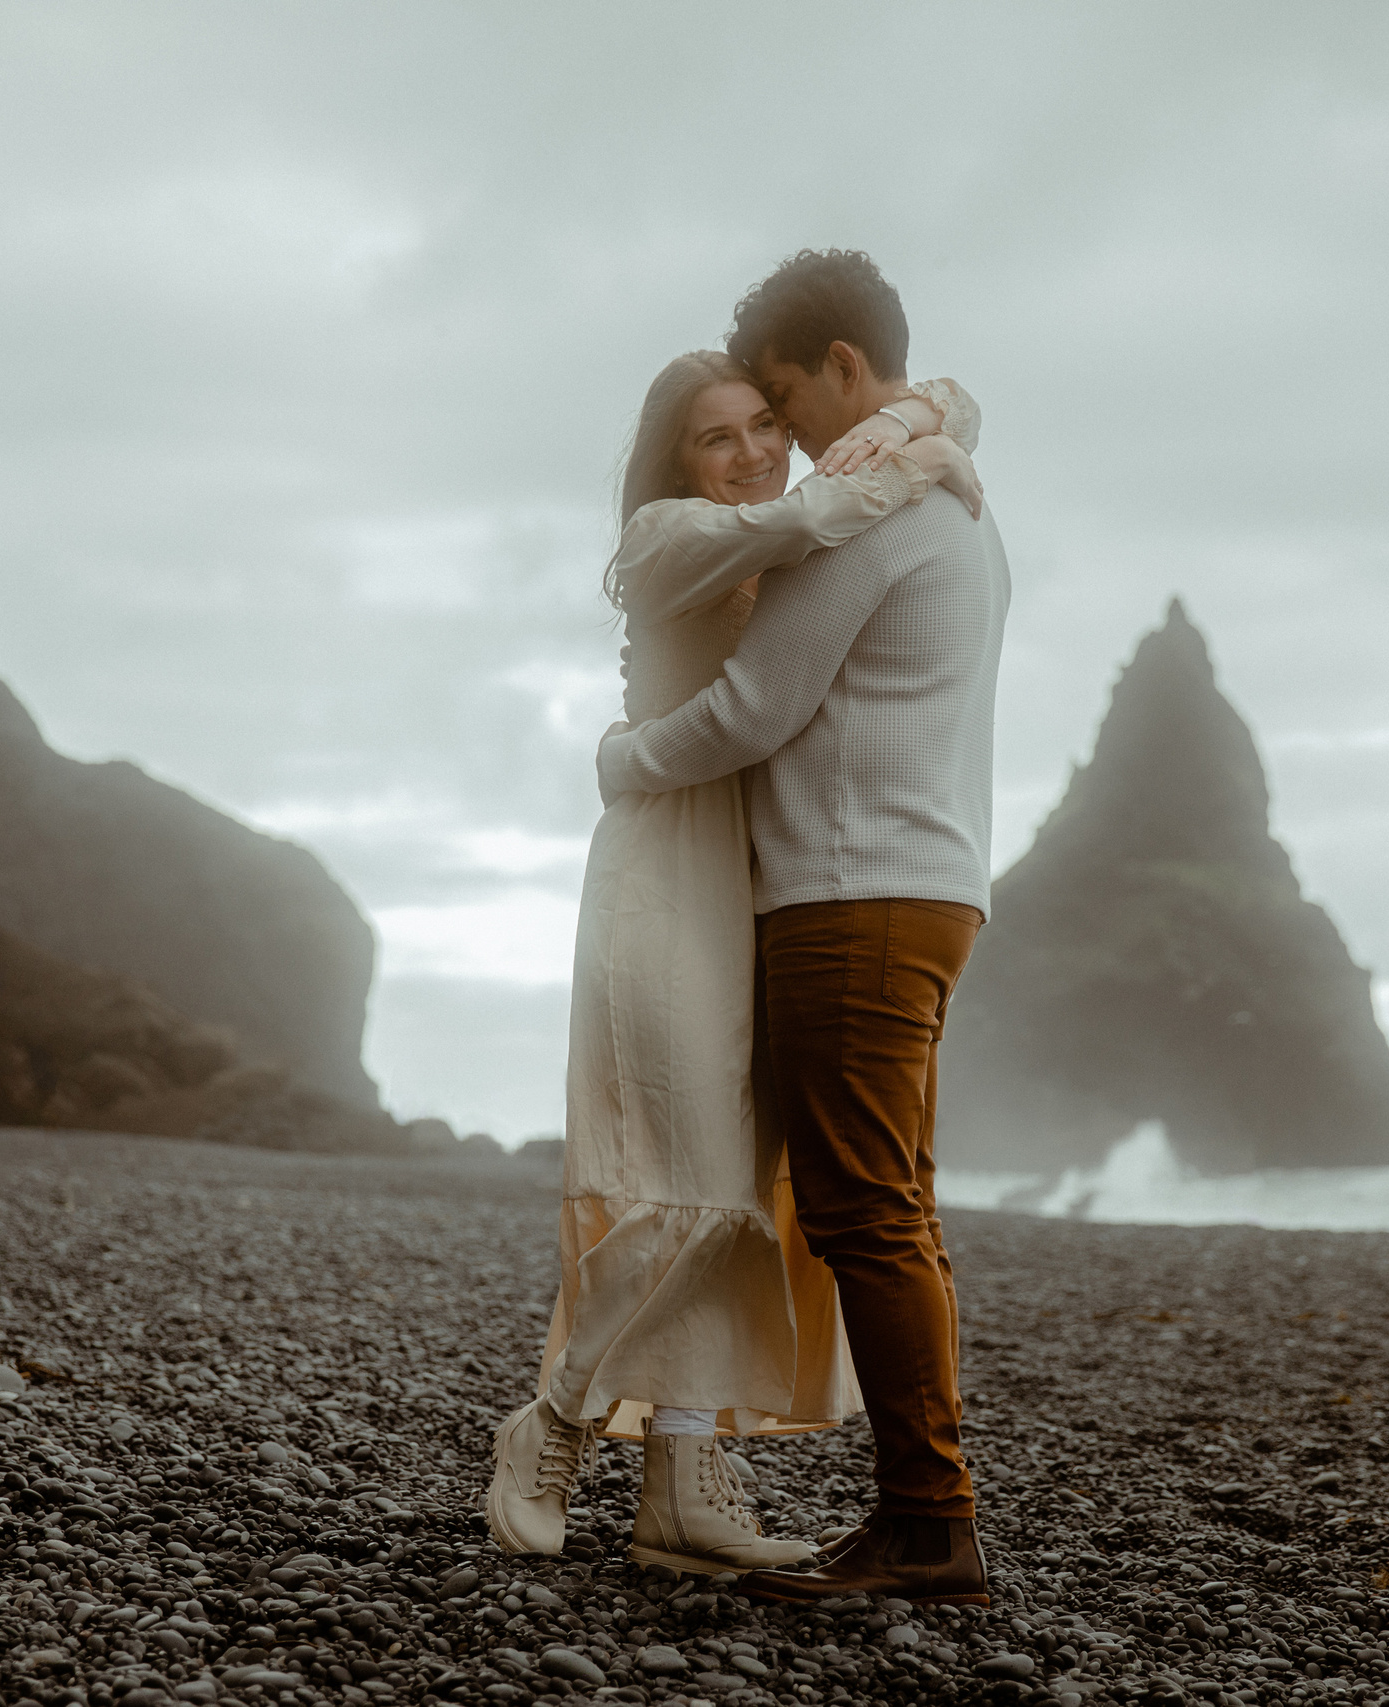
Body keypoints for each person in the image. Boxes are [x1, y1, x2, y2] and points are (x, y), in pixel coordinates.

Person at [483, 336, 985, 1578]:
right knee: (675, 1181)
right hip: (666, 873)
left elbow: (858, 475)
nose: (756, 449)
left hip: (761, 879)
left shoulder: (784, 534)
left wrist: (933, 416)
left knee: (740, 1188)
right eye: (721, 436)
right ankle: (552, 1420)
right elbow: (829, 503)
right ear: (675, 461)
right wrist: (925, 447)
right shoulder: (666, 537)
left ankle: (682, 1479)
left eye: (766, 420)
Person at [592, 250, 1011, 1606]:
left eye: (783, 400)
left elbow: (755, 708)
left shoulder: (875, 516)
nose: (784, 441)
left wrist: (628, 759)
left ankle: (929, 1523)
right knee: (892, 1198)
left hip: (853, 895)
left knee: (864, 1208)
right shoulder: (951, 502)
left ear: (841, 367)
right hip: (924, 885)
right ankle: (920, 1514)